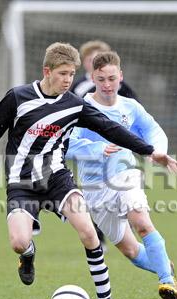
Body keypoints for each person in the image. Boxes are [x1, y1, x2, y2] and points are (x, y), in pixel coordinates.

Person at [0, 42, 177, 299]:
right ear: (47, 71)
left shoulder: (74, 104)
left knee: (88, 232)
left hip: (58, 180)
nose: (68, 80)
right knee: (18, 242)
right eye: (62, 74)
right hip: (21, 184)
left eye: (71, 74)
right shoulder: (18, 98)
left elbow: (112, 129)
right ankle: (28, 255)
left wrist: (152, 152)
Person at [66, 51, 177, 299]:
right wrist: (96, 149)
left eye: (111, 78)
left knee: (141, 222)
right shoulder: (80, 107)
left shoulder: (130, 107)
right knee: (130, 251)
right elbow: (66, 144)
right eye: (101, 80)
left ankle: (167, 282)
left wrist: (157, 150)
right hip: (95, 186)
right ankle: (165, 266)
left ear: (121, 76)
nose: (107, 85)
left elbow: (153, 130)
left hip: (125, 173)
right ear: (93, 78)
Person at [71, 40, 139, 249]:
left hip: (119, 151)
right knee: (95, 195)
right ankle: (98, 236)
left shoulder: (122, 88)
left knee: (124, 191)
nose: (97, 62)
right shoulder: (79, 88)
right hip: (89, 152)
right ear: (85, 64)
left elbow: (134, 112)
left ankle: (132, 228)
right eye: (92, 59)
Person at [70, 40, 138, 100]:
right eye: (90, 60)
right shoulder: (78, 85)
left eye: (97, 59)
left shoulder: (119, 85)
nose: (94, 63)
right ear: (83, 61)